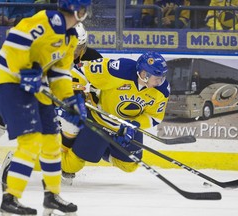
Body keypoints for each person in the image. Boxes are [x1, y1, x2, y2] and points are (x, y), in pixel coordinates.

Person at [0, 0, 91, 215]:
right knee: (31, 141)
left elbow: (60, 73)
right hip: (9, 81)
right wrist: (26, 69)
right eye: (84, 9)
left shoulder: (71, 37)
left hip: (38, 84)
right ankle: (10, 199)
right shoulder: (47, 20)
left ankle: (52, 197)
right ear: (77, 10)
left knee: (52, 141)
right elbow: (15, 39)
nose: (85, 12)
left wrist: (70, 100)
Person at [0, 22, 102, 151]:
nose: (74, 52)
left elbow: (99, 87)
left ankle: (64, 164)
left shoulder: (92, 58)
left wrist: (90, 97)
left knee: (69, 131)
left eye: (78, 47)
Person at [58, 51, 170, 184]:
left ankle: (102, 151)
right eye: (157, 78)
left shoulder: (162, 90)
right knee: (70, 166)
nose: (160, 81)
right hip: (99, 121)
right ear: (145, 75)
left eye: (161, 78)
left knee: (130, 165)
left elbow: (154, 117)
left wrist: (134, 124)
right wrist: (76, 91)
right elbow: (80, 71)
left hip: (125, 128)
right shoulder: (118, 70)